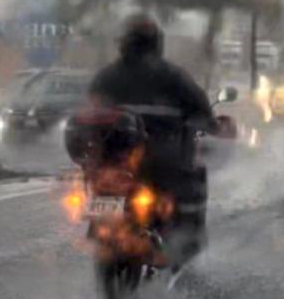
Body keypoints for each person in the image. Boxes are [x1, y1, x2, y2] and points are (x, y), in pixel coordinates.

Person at [89, 13, 214, 262]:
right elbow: (202, 111)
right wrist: (210, 124)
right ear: (156, 43)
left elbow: (89, 111)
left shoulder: (105, 78)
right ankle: (187, 239)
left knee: (102, 190)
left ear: (124, 42)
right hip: (163, 163)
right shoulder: (174, 77)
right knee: (194, 177)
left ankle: (107, 228)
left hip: (114, 164)